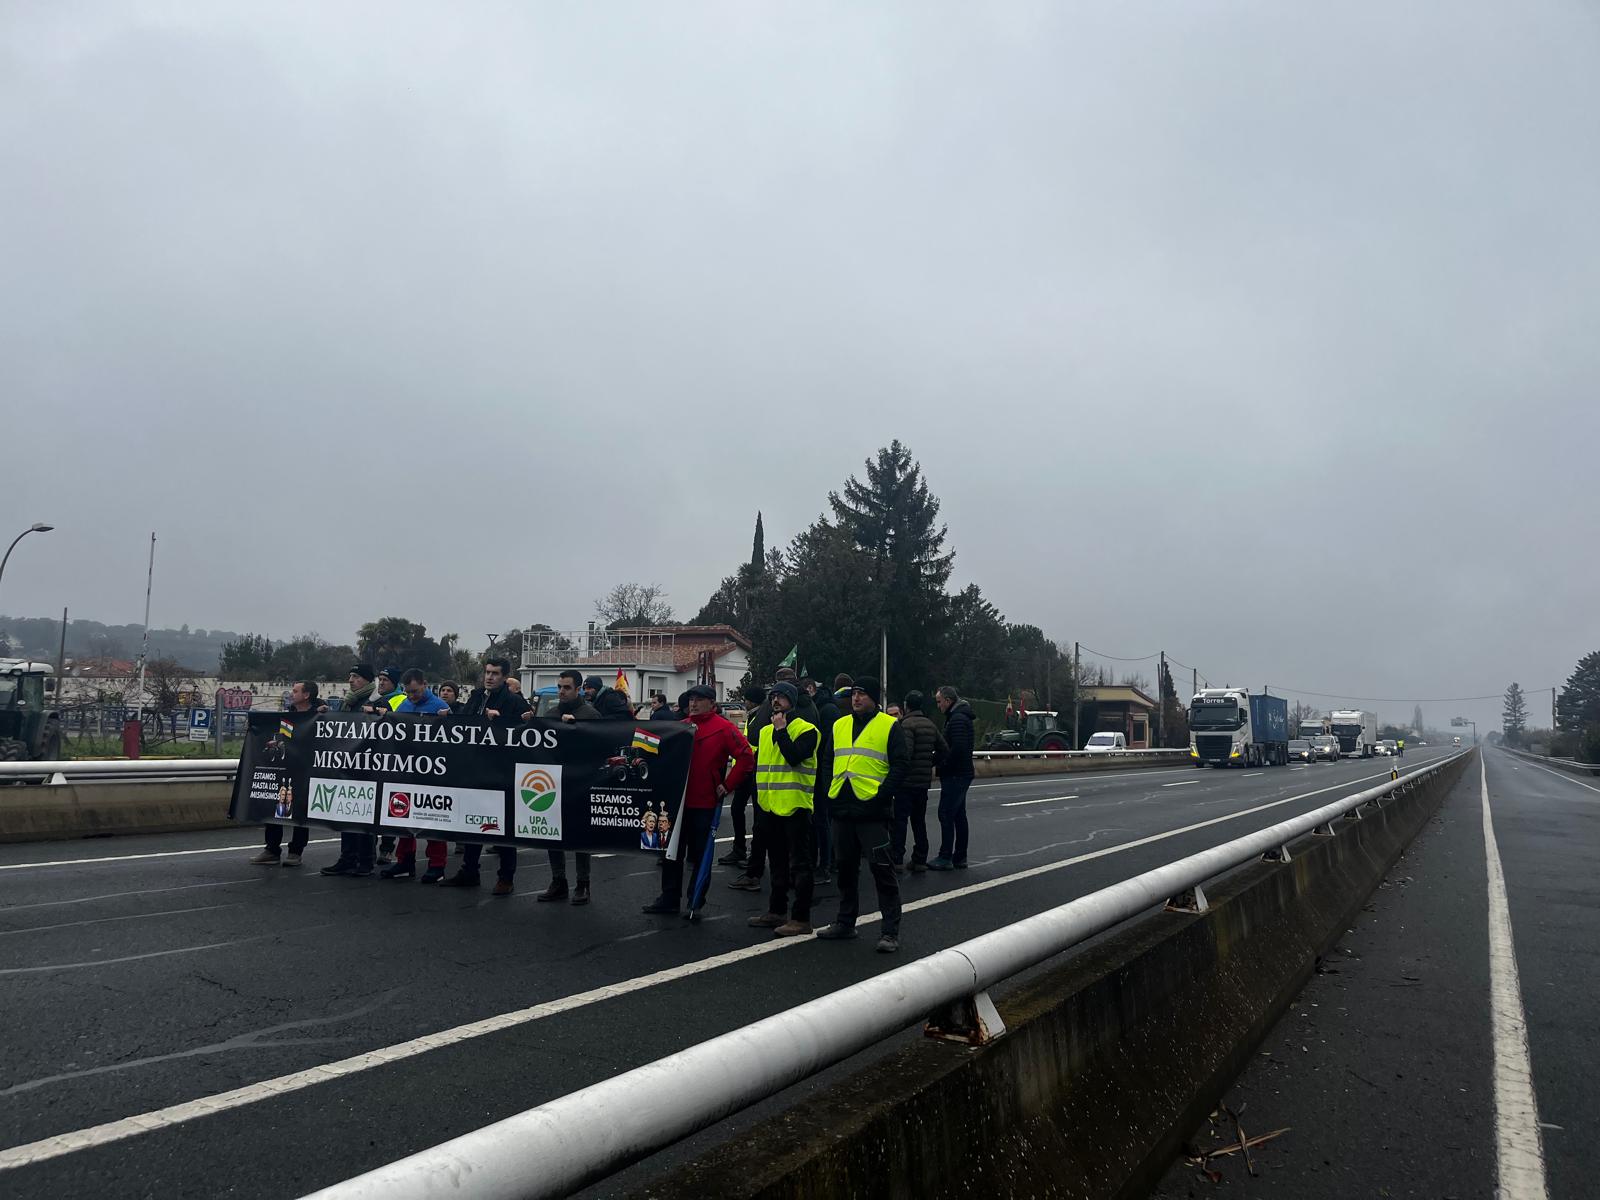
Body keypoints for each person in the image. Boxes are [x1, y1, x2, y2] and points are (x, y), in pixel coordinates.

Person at [643, 684, 753, 916]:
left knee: (701, 856)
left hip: (704, 803)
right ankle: (669, 897)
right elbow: (654, 750)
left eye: (699, 699)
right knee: (671, 853)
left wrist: (727, 785)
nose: (693, 703)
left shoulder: (723, 728)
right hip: (677, 803)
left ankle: (696, 900)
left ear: (712, 703)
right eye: (691, 699)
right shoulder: (680, 727)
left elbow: (745, 757)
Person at [816, 678, 907, 953]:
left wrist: (882, 795)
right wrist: (828, 792)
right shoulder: (839, 724)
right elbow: (828, 759)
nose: (856, 699)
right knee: (845, 870)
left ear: (873, 698)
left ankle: (890, 932)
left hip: (872, 811)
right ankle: (846, 923)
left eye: (862, 694)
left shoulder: (889, 725)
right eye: (854, 694)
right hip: (842, 808)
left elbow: (900, 765)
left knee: (882, 871)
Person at [440, 657, 530, 893]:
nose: (489, 677)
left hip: (501, 772)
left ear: (504, 677)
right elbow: (466, 723)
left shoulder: (515, 702)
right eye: (487, 672)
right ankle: (469, 870)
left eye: (495, 673)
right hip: (475, 768)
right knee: (472, 822)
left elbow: (525, 733)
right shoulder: (477, 696)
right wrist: (449, 718)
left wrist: (500, 723)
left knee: (503, 828)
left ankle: (506, 877)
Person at [746, 682, 818, 937]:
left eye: (781, 697)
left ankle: (801, 918)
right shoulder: (765, 732)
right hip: (769, 806)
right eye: (773, 697)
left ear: (792, 701)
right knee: (776, 862)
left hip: (796, 806)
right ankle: (776, 911)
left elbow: (794, 756)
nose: (776, 701)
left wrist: (782, 731)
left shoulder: (807, 730)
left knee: (800, 864)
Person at [381, 669, 452, 883]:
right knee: (403, 816)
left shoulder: (440, 706)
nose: (412, 696)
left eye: (415, 691)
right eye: (408, 692)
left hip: (434, 771)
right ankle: (404, 861)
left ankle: (437, 865)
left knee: (433, 819)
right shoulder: (404, 706)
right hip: (409, 770)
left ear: (424, 684)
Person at [540, 669, 600, 904]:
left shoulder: (590, 715)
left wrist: (577, 728)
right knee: (551, 832)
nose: (561, 691)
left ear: (578, 689)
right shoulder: (552, 713)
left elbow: (596, 747)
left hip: (580, 783)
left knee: (579, 835)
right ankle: (558, 881)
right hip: (553, 782)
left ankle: (583, 884)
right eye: (559, 687)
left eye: (566, 687)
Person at [249, 680, 321, 867]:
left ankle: (296, 851)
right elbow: (283, 736)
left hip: (306, 770)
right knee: (275, 806)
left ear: (306, 695)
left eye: (296, 691)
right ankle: (271, 849)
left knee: (300, 811)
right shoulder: (289, 715)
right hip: (286, 767)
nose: (291, 693)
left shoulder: (319, 715)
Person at [894, 691, 947, 874]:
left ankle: (897, 858)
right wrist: (928, 763)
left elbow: (905, 754)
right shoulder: (930, 725)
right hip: (923, 782)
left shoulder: (906, 725)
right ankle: (920, 859)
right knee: (919, 821)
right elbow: (943, 749)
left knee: (900, 821)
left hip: (906, 782)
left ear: (906, 705)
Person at [720, 684, 767, 867]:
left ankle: (752, 855)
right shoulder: (754, 716)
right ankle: (740, 849)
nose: (744, 703)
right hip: (746, 771)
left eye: (746, 699)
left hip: (754, 771)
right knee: (737, 808)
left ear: (750, 700)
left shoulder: (761, 716)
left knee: (755, 816)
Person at [931, 685, 976, 870]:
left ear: (948, 701)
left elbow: (957, 748)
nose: (938, 706)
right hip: (962, 773)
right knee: (958, 815)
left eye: (939, 702)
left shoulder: (956, 719)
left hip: (956, 774)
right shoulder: (960, 717)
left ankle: (945, 857)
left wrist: (941, 763)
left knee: (946, 813)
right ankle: (960, 857)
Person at [363, 666, 405, 863]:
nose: (381, 683)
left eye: (385, 680)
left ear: (395, 684)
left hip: (392, 758)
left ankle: (387, 848)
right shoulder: (375, 700)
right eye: (379, 679)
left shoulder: (399, 699)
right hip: (374, 758)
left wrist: (384, 713)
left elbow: (401, 720)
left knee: (390, 806)